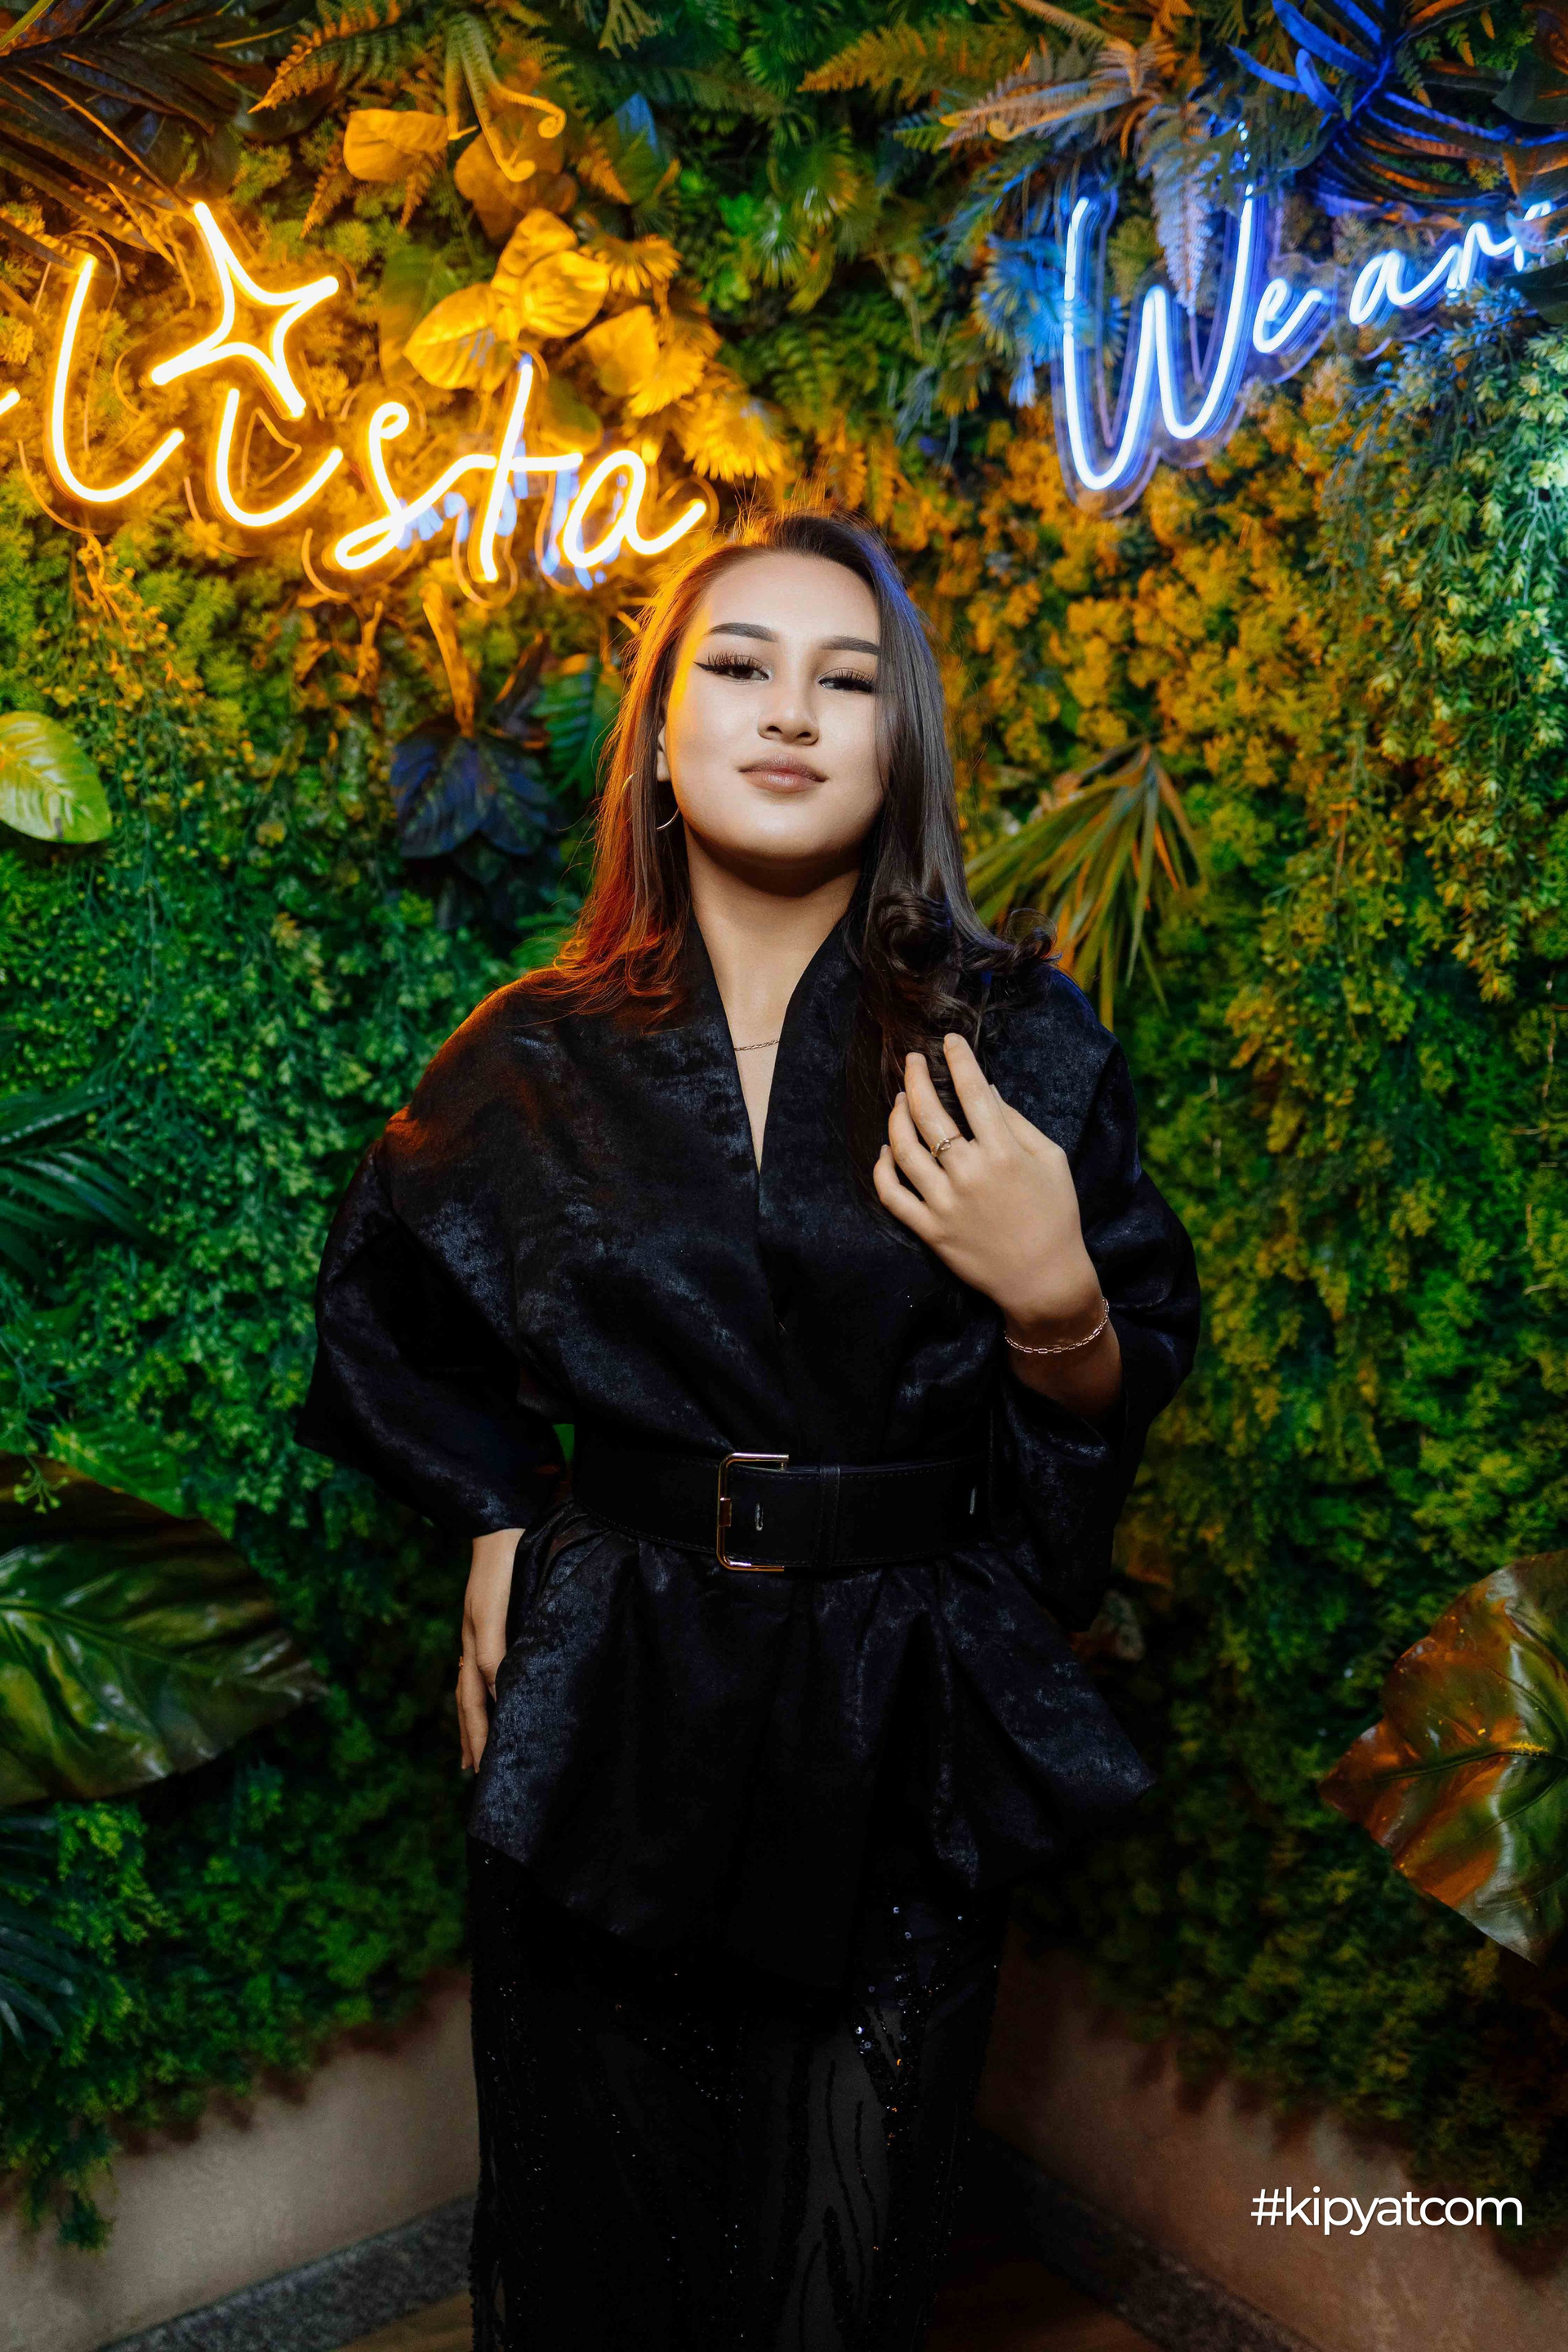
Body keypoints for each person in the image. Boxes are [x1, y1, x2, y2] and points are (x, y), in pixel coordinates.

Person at [295, 506, 1200, 2351]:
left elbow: (1121, 1379)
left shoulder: (1019, 1041)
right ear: (657, 736)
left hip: (897, 1709)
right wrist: (499, 1510)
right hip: (612, 1691)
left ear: (898, 748)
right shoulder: (532, 1053)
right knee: (595, 2260)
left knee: (840, 2280)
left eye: (847, 681)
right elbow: (382, 1312)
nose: (791, 711)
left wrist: (1055, 1301)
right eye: (739, 665)